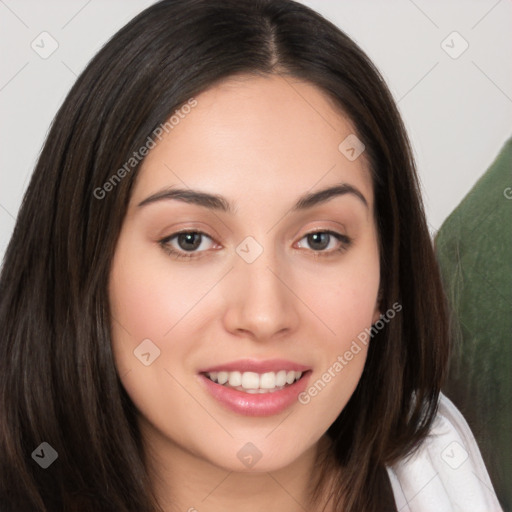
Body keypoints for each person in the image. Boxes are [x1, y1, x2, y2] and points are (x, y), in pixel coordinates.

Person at [0, 1, 503, 511]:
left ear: (387, 273)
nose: (264, 315)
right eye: (190, 240)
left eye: (319, 239)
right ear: (86, 264)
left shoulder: (446, 472)